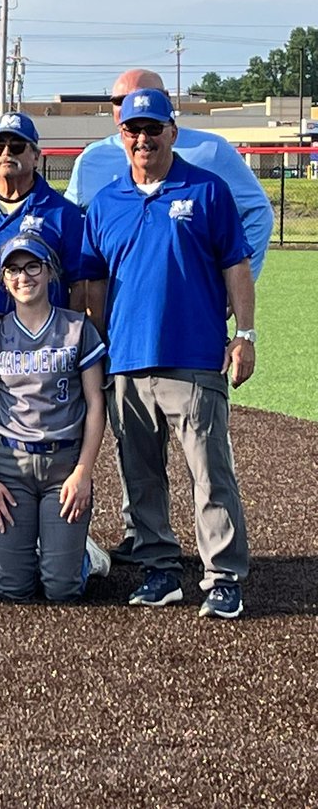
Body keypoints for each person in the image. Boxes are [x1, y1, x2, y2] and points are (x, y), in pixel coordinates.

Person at [68, 68, 274, 564]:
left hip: (194, 354)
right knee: (140, 475)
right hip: (127, 359)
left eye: (153, 129)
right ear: (122, 134)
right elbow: (90, 283)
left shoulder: (207, 189)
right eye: (133, 130)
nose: (143, 139)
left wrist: (243, 332)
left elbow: (237, 263)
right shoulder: (107, 200)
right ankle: (157, 565)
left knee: (209, 472)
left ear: (172, 132)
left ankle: (222, 573)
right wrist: (92, 347)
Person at [0, 234, 108, 601]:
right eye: (13, 269)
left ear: (49, 272)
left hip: (63, 465)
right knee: (13, 589)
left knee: (61, 590)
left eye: (33, 266)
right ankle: (44, 548)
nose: (23, 276)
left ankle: (80, 554)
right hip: (11, 465)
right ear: (3, 280)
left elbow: (96, 404)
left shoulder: (78, 328)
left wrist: (84, 472)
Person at [66, 68, 272, 280]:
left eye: (143, 96)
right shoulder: (91, 158)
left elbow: (257, 211)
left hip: (189, 301)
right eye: (120, 100)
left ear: (166, 101)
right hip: (117, 303)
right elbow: (68, 225)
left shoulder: (211, 150)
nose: (133, 104)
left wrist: (236, 282)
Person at [0, 112, 85, 342]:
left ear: (36, 156)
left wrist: (70, 340)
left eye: (17, 146)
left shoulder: (64, 213)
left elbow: (80, 286)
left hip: (41, 350)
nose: (6, 153)